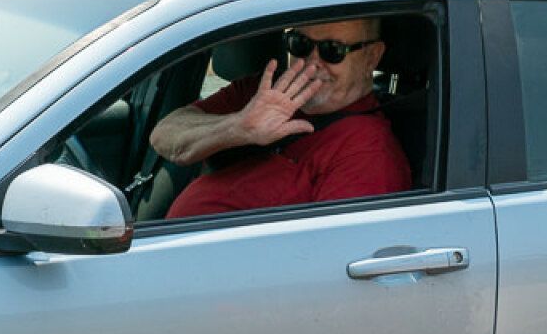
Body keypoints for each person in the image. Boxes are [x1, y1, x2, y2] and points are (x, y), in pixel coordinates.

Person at [149, 17, 411, 218]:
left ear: (372, 57)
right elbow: (163, 135)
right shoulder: (265, 93)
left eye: (332, 50)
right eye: (300, 44)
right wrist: (237, 127)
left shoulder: (369, 152)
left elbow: (331, 258)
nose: (311, 63)